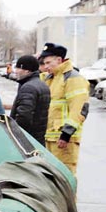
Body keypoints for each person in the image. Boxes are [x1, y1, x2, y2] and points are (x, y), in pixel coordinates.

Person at [39, 43, 90, 175]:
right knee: (51, 176)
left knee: (65, 176)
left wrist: (66, 134)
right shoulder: (51, 78)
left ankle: (69, 197)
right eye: (44, 63)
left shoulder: (73, 78)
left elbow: (78, 108)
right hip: (50, 137)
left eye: (48, 62)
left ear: (59, 60)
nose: (46, 66)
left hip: (64, 139)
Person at [10, 55, 51, 144]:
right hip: (39, 138)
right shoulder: (42, 85)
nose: (15, 71)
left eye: (18, 68)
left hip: (28, 140)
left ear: (27, 70)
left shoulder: (28, 87)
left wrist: (15, 135)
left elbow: (24, 117)